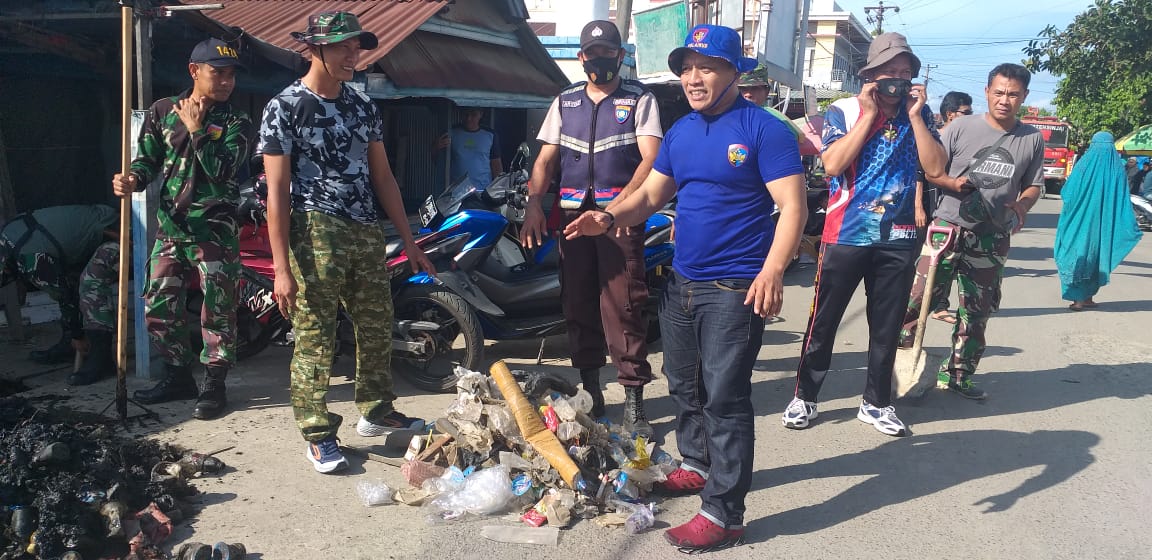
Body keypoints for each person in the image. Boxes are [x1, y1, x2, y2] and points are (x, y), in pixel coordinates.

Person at [566, 24, 806, 552]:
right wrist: (606, 218)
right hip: (683, 282)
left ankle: (725, 513)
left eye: (707, 66)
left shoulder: (765, 129)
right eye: (687, 67)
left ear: (733, 73)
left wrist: (771, 272)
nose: (693, 78)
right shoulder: (680, 133)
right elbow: (650, 196)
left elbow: (793, 206)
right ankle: (697, 464)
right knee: (684, 386)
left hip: (735, 286)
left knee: (726, 398)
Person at [260, 11, 434, 474]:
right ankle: (317, 432)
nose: (352, 55)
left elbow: (383, 176)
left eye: (356, 46)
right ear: (313, 49)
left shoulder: (361, 107)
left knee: (377, 324)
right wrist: (281, 268)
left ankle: (376, 411)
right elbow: (276, 192)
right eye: (341, 46)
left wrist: (409, 239)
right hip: (314, 228)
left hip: (364, 228)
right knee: (316, 333)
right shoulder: (285, 106)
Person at [781, 32, 945, 437]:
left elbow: (937, 167)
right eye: (890, 71)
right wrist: (870, 115)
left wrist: (914, 117)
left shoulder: (921, 115)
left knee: (887, 326)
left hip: (901, 236)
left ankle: (876, 403)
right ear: (870, 75)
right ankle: (805, 396)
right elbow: (833, 164)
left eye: (905, 73)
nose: (898, 79)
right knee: (824, 321)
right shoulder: (844, 110)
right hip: (846, 233)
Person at [519, 20, 662, 438]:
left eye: (608, 53)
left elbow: (650, 160)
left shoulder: (640, 99)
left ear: (621, 56)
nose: (600, 60)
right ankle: (591, 393)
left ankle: (634, 402)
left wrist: (616, 212)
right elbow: (546, 160)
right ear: (581, 57)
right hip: (573, 222)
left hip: (619, 223)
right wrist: (533, 204)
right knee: (578, 305)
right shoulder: (564, 102)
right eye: (592, 53)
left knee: (624, 308)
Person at [113, 38, 252, 420]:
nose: (226, 81)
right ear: (195, 71)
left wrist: (197, 130)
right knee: (157, 304)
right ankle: (177, 374)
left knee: (218, 309)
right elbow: (148, 163)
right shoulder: (162, 112)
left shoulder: (236, 121)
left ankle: (214, 383)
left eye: (231, 75)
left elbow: (224, 170)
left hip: (215, 230)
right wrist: (130, 181)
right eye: (217, 73)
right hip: (172, 227)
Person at [901, 63, 1046, 400]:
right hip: (946, 228)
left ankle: (959, 375)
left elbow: (1033, 185)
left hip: (992, 236)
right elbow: (930, 169)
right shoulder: (960, 128)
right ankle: (896, 363)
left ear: (1023, 96)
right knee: (917, 300)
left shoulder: (1031, 138)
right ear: (986, 92)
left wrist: (1022, 206)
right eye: (998, 92)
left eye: (1013, 94)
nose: (1004, 100)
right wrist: (952, 183)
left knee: (977, 311)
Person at [0, 205, 118, 366]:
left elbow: (65, 296)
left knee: (90, 285)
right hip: (92, 234)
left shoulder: (30, 258)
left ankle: (100, 357)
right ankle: (70, 344)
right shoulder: (8, 234)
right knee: (70, 282)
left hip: (121, 234)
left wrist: (78, 336)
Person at [1055, 132, 1142, 310]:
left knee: (1077, 253)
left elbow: (1067, 193)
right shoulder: (1117, 168)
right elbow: (1122, 199)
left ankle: (1079, 300)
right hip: (1103, 225)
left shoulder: (1084, 166)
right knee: (1096, 255)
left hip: (1078, 223)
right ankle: (1087, 298)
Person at [926, 91, 975, 325]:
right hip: (930, 203)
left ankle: (940, 304)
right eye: (966, 112)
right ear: (950, 114)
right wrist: (917, 205)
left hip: (951, 207)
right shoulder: (936, 138)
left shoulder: (966, 137)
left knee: (949, 260)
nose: (970, 116)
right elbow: (921, 174)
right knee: (931, 263)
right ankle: (910, 321)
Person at [434, 107, 503, 188]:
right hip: (456, 191)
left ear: (481, 114)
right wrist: (436, 146)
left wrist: (498, 189)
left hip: (482, 189)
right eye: (466, 114)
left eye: (473, 114)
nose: (468, 118)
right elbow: (438, 161)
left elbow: (496, 165)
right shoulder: (450, 133)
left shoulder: (490, 135)